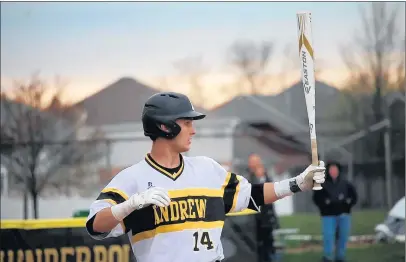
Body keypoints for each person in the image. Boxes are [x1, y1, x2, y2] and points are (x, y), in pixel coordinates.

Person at [86, 92, 326, 262]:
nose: (194, 130)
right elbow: (95, 226)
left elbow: (250, 195)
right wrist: (130, 205)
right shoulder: (133, 178)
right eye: (187, 122)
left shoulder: (207, 169)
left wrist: (297, 183)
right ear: (165, 126)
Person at [312, 161, 358, 262]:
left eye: (335, 169)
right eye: (331, 170)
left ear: (338, 171)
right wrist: (324, 205)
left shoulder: (346, 184)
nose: (333, 171)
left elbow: (354, 197)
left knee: (343, 237)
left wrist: (347, 205)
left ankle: (340, 257)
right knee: (329, 236)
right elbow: (316, 199)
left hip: (344, 215)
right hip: (328, 216)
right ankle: (328, 257)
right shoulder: (322, 185)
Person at [247, 154, 279, 262]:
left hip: (267, 218)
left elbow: (272, 197)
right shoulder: (248, 179)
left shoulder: (267, 178)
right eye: (251, 162)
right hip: (255, 219)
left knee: (268, 246)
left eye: (255, 162)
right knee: (258, 247)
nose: (252, 165)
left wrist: (274, 218)